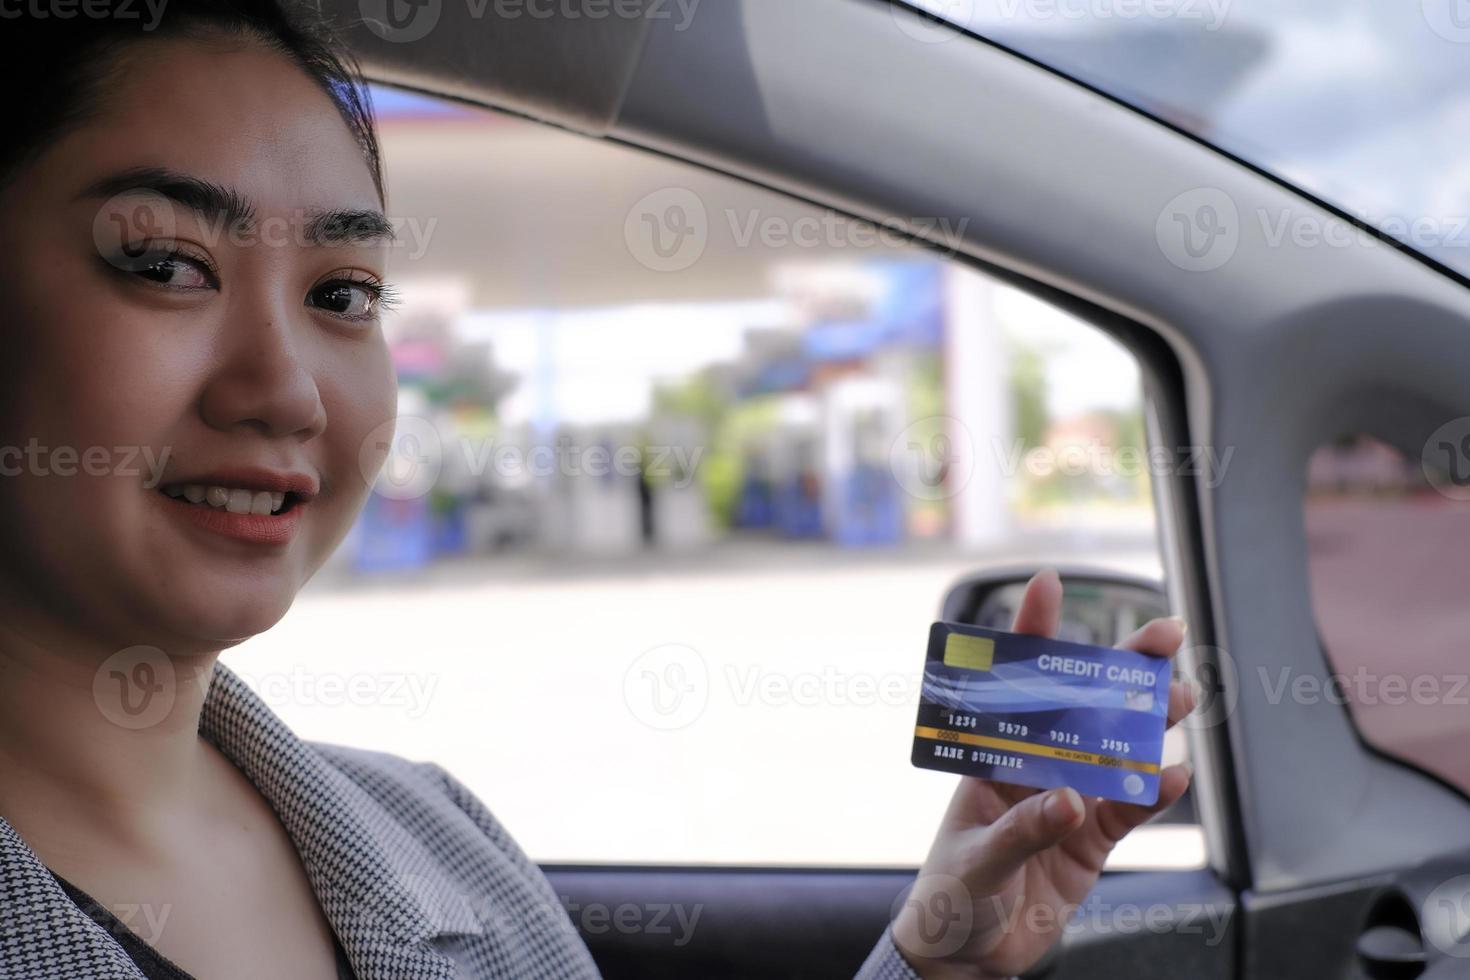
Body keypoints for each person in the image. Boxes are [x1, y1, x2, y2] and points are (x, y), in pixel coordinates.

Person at [0, 4, 1197, 978]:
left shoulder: (436, 831)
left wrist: (938, 957)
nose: (288, 392)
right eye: (166, 266)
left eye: (343, 293)